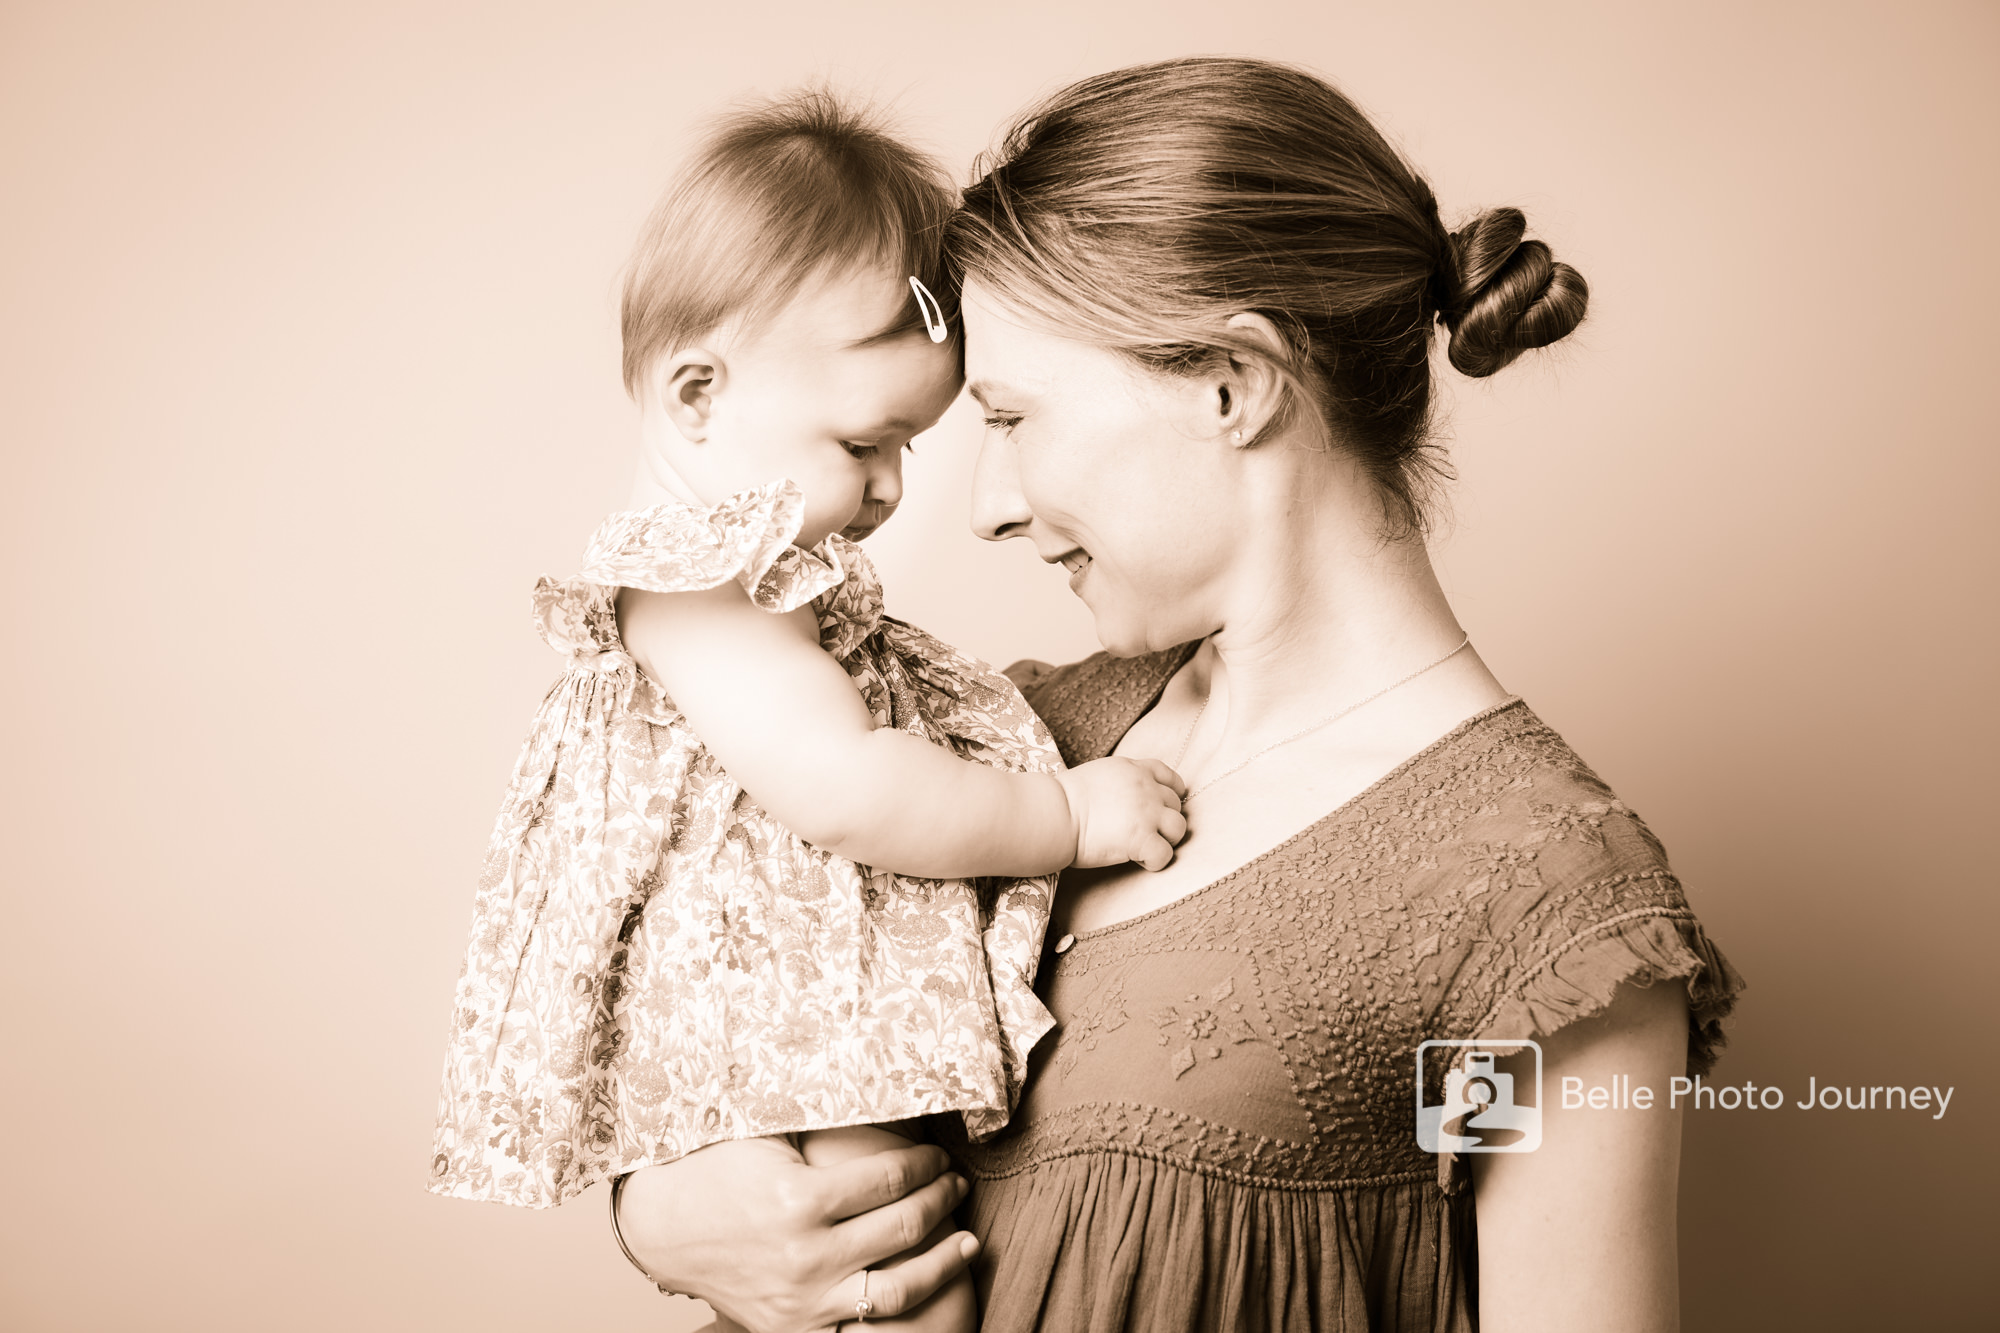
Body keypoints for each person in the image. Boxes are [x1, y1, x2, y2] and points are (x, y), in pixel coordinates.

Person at [611, 57, 1746, 1332]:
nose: (982, 506)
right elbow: (742, 1020)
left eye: (1013, 416)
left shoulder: (1531, 917)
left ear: (1227, 384)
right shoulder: (999, 742)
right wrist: (665, 1209)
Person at [426, 92, 1188, 1333]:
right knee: (892, 1276)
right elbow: (845, 785)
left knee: (887, 1266)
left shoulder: (744, 575)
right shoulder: (703, 585)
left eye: (913, 447)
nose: (895, 487)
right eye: (865, 442)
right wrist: (1059, 811)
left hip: (797, 995)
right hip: (780, 1008)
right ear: (695, 396)